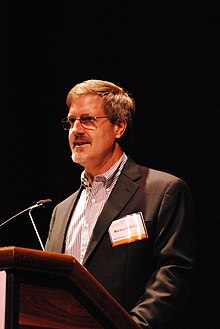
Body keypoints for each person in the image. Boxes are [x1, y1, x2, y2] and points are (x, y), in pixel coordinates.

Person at [45, 79, 194, 329]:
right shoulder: (61, 211)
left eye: (88, 120)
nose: (76, 130)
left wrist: (132, 325)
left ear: (119, 127)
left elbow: (173, 272)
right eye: (71, 121)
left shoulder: (162, 191)